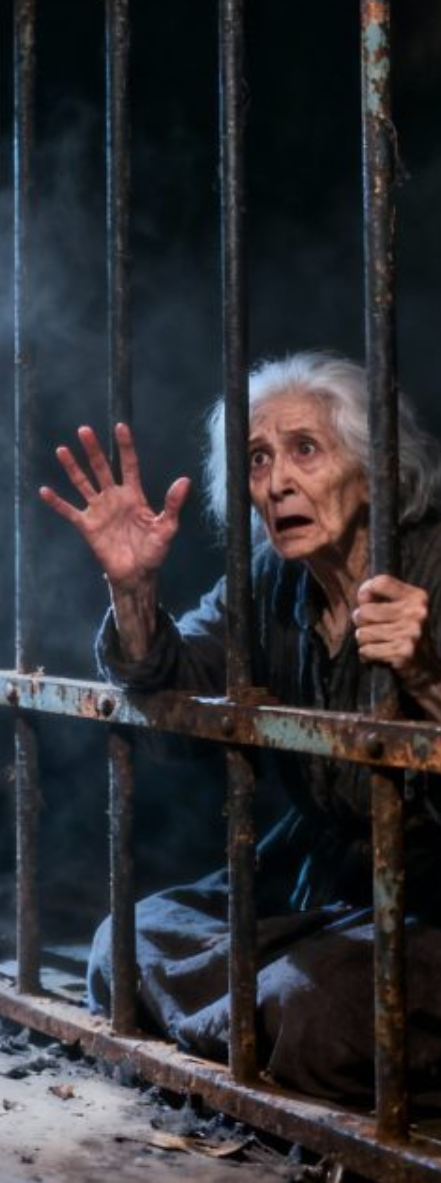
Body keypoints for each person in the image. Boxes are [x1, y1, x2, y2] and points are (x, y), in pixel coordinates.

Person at [40, 351, 441, 1102]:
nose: (277, 481)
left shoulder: (434, 558)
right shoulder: (268, 578)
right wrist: (134, 592)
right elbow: (175, 698)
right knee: (123, 945)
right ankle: (262, 1024)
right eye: (257, 459)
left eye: (305, 450)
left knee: (311, 1007)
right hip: (320, 879)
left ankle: (266, 1021)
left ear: (373, 469)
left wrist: (424, 676)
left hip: (429, 888)